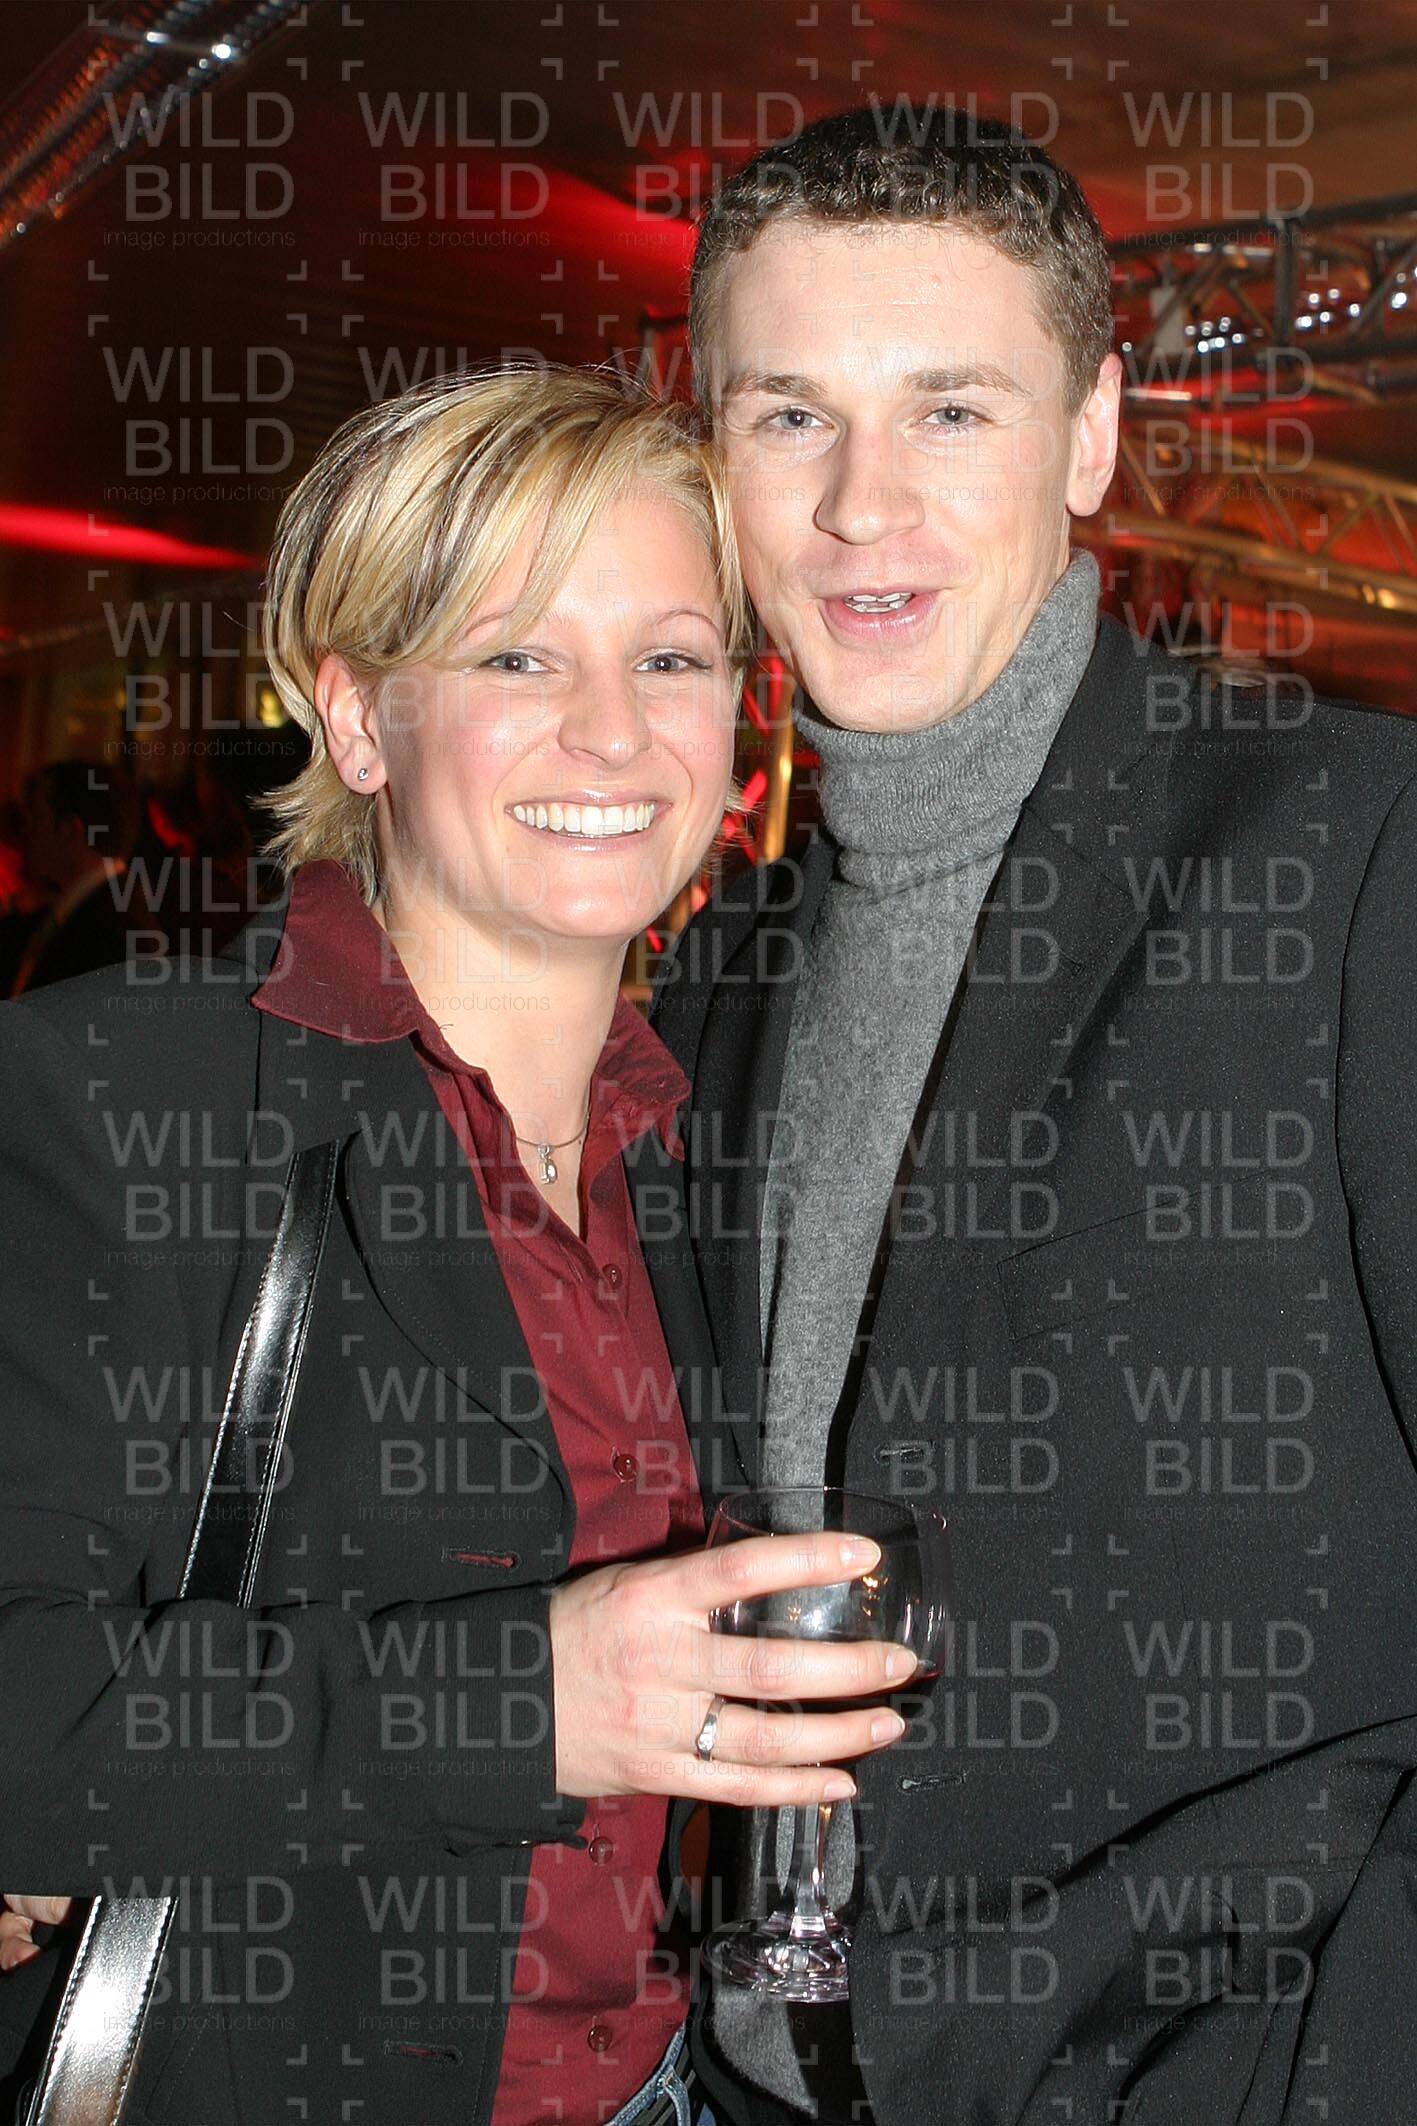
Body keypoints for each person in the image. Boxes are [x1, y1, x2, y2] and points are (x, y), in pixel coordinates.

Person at [0, 366, 915, 2126]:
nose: (614, 732)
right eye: (517, 657)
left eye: (670, 657)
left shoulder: (724, 1134)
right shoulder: (115, 1094)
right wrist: (527, 1700)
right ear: (357, 718)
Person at [651, 107, 1417, 2125]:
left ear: (1087, 440)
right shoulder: (721, 969)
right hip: (755, 2077)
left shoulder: (1354, 855)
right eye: (789, 416)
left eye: (951, 411)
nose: (861, 505)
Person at [9, 759, 135, 994]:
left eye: (37, 818)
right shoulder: (103, 908)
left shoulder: (104, 933)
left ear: (71, 830)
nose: (28, 831)